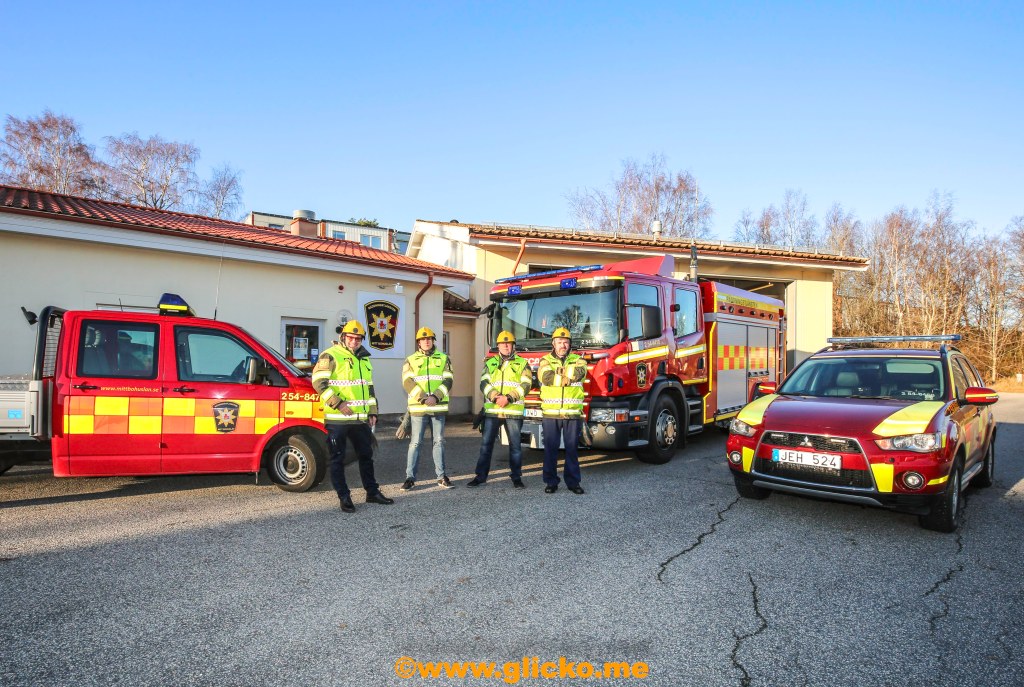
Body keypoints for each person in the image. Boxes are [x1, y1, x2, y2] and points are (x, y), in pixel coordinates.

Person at [311, 320, 394, 512]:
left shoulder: (364, 359)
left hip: (360, 419)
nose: (354, 341)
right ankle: (344, 497)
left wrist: (373, 411)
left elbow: (369, 388)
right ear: (343, 337)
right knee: (337, 458)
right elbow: (318, 382)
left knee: (366, 455)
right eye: (351, 337)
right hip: (338, 419)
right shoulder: (330, 355)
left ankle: (372, 492)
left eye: (358, 338)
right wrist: (338, 403)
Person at [467, 330, 534, 488]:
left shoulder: (523, 364)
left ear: (513, 345)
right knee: (486, 445)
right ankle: (480, 477)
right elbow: (484, 383)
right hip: (493, 410)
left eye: (508, 343)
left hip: (513, 411)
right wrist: (496, 396)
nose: (505, 346)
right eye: (502, 344)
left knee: (515, 447)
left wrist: (508, 398)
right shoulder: (490, 363)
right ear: (498, 346)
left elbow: (526, 384)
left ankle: (516, 478)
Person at [400, 326, 455, 490]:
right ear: (418, 342)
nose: (426, 341)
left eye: (429, 339)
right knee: (415, 443)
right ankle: (410, 478)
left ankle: (441, 477)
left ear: (433, 341)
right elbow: (407, 382)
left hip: (438, 408)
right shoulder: (410, 360)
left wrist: (435, 397)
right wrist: (424, 398)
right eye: (423, 339)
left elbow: (448, 380)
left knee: (439, 442)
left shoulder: (444, 358)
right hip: (418, 408)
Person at [538, 327, 586, 494]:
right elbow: (546, 376)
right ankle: (551, 482)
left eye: (565, 342)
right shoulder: (544, 360)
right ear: (553, 343)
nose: (563, 345)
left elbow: (580, 373)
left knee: (572, 449)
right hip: (551, 413)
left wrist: (559, 375)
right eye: (559, 342)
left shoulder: (579, 360)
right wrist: (566, 375)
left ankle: (573, 483)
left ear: (570, 344)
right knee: (550, 449)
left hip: (572, 413)